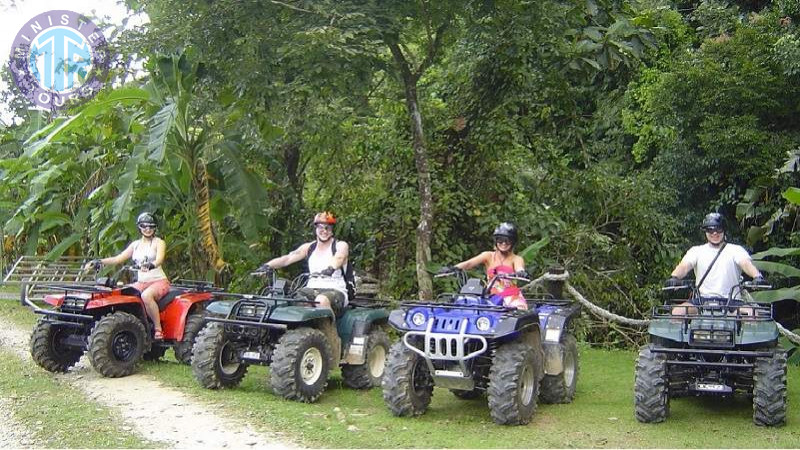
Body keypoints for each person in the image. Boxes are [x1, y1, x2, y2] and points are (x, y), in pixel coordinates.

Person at [85, 212, 171, 339]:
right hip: (141, 282)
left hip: (158, 281)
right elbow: (118, 258)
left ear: (155, 228)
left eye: (151, 227)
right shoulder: (135, 245)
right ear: (139, 227)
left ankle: (158, 329)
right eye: (144, 226)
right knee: (122, 293)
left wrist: (150, 265)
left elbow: (159, 259)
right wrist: (99, 261)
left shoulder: (159, 242)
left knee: (146, 296)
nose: (147, 229)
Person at [666, 212, 766, 315]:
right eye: (710, 230)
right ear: (705, 231)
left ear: (724, 230)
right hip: (701, 301)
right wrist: (674, 277)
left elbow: (745, 263)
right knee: (677, 312)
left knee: (752, 314)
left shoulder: (735, 250)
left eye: (718, 229)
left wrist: (757, 276)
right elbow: (684, 266)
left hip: (731, 301)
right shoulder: (696, 251)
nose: (715, 233)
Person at [258, 211, 350, 315]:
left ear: (332, 230)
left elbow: (339, 257)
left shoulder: (340, 245)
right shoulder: (309, 247)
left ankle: (330, 331)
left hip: (335, 289)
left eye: (328, 228)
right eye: (320, 227)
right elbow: (287, 258)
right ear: (315, 229)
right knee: (293, 299)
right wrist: (267, 266)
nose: (324, 231)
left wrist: (331, 268)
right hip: (311, 289)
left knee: (321, 300)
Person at [438, 222, 528, 310]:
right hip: (491, 297)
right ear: (496, 241)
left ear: (513, 242)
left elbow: (519, 268)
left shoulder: (516, 259)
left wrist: (521, 273)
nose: (503, 243)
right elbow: (469, 263)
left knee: (517, 312)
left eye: (507, 241)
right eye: (500, 240)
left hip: (511, 296)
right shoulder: (488, 256)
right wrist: (453, 268)